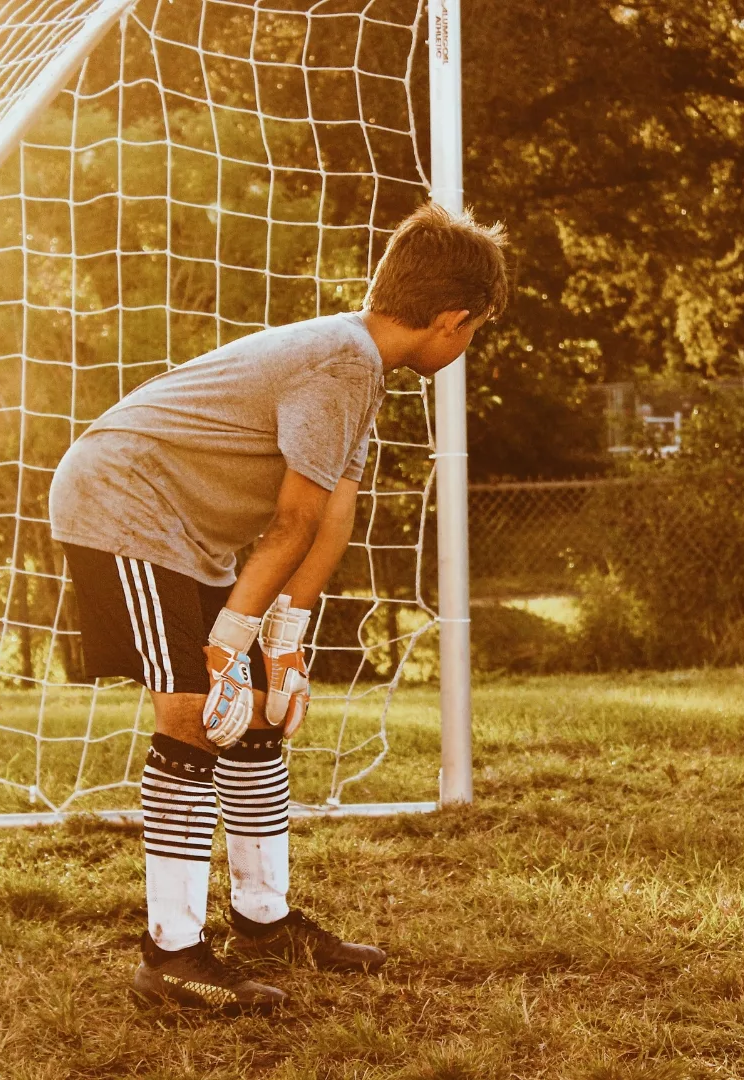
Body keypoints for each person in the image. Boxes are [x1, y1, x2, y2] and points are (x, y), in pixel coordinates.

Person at [48, 203, 508, 1011]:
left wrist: (284, 643)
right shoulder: (340, 361)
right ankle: (171, 956)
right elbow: (289, 522)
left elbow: (332, 515)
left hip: (186, 528)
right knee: (194, 707)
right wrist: (230, 639)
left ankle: (262, 921)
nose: (466, 345)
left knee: (260, 709)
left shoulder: (360, 365)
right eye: (472, 331)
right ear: (451, 319)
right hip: (122, 503)